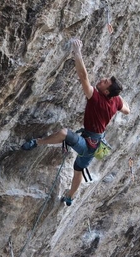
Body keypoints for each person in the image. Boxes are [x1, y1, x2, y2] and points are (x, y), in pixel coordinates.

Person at [21, 39, 130, 206]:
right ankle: (69, 196)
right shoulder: (116, 101)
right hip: (94, 142)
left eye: (105, 82)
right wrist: (120, 102)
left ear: (106, 91)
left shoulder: (96, 99)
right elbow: (127, 110)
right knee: (78, 168)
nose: (101, 79)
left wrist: (77, 52)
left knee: (67, 139)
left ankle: (38, 144)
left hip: (88, 146)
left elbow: (83, 76)